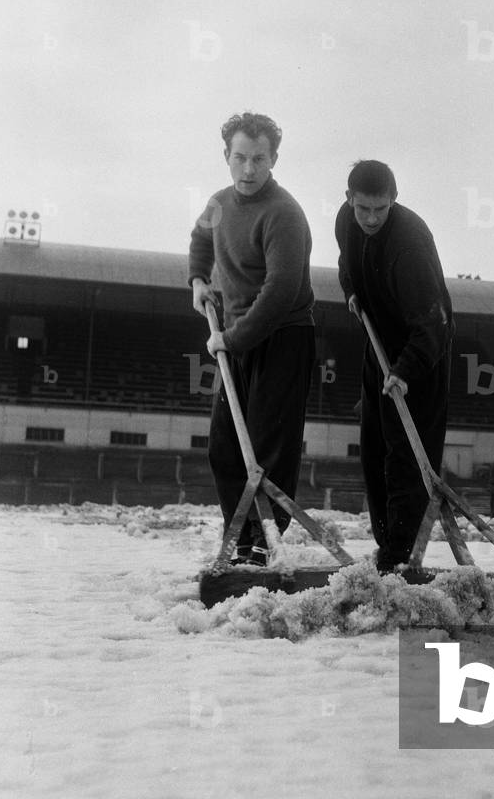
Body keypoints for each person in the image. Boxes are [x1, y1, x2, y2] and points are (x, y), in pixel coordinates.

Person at [189, 112, 316, 565]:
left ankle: (264, 540)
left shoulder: (284, 213)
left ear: (273, 160)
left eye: (258, 159)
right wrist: (198, 279)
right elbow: (201, 239)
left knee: (269, 443)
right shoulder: (219, 203)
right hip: (237, 335)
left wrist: (231, 339)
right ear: (226, 156)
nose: (248, 169)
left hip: (283, 335)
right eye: (240, 158)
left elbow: (279, 291)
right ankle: (238, 534)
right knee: (224, 445)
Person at [335, 160, 454, 572]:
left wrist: (405, 371)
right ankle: (386, 547)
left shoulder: (410, 246)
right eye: (363, 207)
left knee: (406, 457)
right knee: (373, 448)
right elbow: (346, 265)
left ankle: (400, 556)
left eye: (380, 209)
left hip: (422, 353)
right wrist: (351, 290)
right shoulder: (346, 221)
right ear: (349, 199)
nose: (370, 218)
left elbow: (433, 325)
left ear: (394, 200)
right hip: (379, 342)